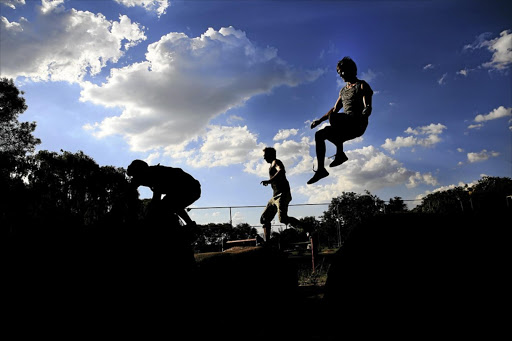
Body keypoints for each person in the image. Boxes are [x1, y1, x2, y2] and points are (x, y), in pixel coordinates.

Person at [308, 56, 374, 185]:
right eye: (339, 73)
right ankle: (321, 170)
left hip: (357, 124)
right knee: (319, 134)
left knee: (334, 117)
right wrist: (319, 121)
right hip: (344, 125)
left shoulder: (362, 85)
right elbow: (334, 108)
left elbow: (368, 104)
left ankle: (339, 153)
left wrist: (367, 109)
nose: (340, 75)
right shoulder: (343, 91)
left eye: (342, 72)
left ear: (351, 70)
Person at [127, 160, 200, 226]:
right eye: (133, 176)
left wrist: (149, 213)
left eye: (135, 175)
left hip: (190, 188)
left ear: (142, 172)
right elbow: (130, 189)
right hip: (179, 189)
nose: (134, 178)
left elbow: (156, 199)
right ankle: (190, 224)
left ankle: (185, 226)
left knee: (164, 207)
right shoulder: (140, 176)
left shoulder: (155, 174)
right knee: (171, 205)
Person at [260, 147, 301, 242]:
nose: (264, 158)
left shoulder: (276, 162)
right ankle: (267, 242)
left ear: (271, 155)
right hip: (275, 197)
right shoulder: (271, 165)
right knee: (264, 218)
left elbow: (281, 170)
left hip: (283, 194)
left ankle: (306, 227)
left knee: (283, 219)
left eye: (265, 156)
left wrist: (269, 180)